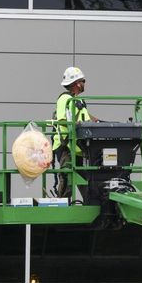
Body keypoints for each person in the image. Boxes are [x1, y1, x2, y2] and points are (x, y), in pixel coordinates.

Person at [52, 66, 98, 198]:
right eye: (83, 81)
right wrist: (77, 125)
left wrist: (98, 122)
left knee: (86, 180)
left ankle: (91, 204)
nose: (84, 84)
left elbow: (84, 116)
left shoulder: (77, 100)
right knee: (67, 180)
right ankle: (63, 209)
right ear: (77, 83)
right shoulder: (64, 99)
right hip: (66, 146)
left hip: (78, 148)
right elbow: (62, 120)